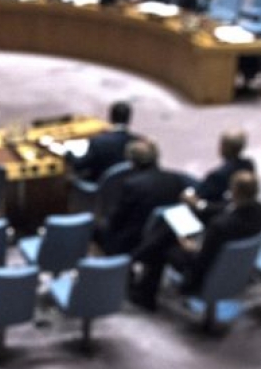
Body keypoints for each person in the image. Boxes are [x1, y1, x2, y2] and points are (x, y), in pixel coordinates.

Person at [130, 170, 261, 310]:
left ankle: (145, 294)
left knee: (163, 245)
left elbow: (200, 261)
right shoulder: (256, 212)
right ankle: (137, 257)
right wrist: (199, 205)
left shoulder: (220, 226)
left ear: (235, 190)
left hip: (202, 273)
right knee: (166, 234)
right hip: (233, 267)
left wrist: (190, 247)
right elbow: (225, 207)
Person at [99, 138, 186, 255]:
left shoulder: (132, 185)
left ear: (133, 162)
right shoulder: (175, 179)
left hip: (134, 242)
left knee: (98, 228)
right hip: (163, 239)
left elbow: (117, 219)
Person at [71, 101, 138, 181]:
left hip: (98, 183)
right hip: (126, 184)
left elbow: (79, 165)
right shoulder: (137, 142)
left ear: (111, 117)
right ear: (128, 119)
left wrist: (68, 154)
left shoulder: (98, 141)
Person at [196, 130, 255, 204]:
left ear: (226, 148)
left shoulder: (218, 175)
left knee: (181, 179)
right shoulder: (248, 164)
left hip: (213, 204)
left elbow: (200, 197)